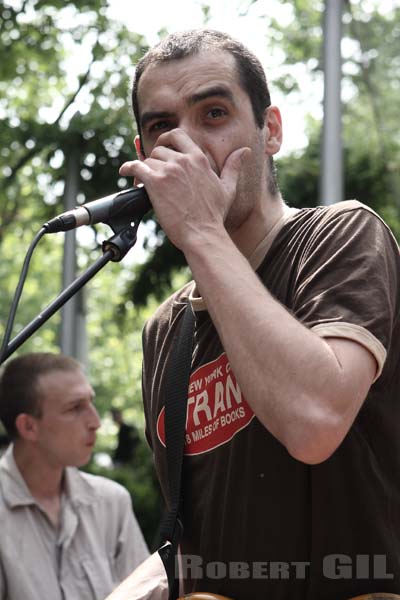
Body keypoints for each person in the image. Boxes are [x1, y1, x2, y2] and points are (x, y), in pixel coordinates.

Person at [109, 28, 400, 600]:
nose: (185, 145)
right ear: (144, 157)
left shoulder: (340, 237)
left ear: (270, 131)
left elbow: (314, 422)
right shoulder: (165, 331)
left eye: (213, 113)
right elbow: (191, 538)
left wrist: (198, 231)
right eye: (161, 126)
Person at [0, 352, 149, 600]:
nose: (95, 422)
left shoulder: (112, 502)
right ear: (28, 426)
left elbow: (145, 594)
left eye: (90, 402)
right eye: (75, 408)